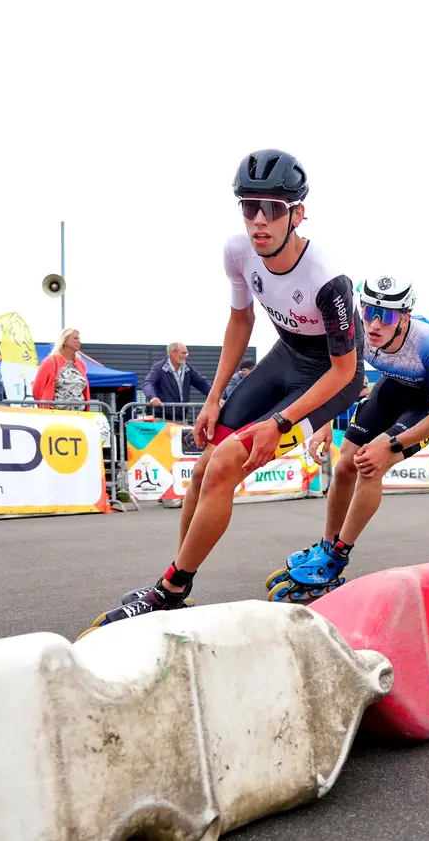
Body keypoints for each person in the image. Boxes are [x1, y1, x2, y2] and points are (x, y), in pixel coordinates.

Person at [98, 148, 364, 623]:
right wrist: (215, 395)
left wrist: (280, 422)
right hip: (286, 356)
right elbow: (241, 320)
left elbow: (345, 372)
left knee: (223, 469)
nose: (259, 220)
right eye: (249, 207)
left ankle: (170, 586)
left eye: (274, 209)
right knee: (203, 472)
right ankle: (175, 583)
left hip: (329, 374)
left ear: (297, 214)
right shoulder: (238, 251)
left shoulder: (328, 279)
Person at [265, 275, 429, 601]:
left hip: (428, 405)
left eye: (388, 316)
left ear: (405, 318)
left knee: (371, 463)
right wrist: (323, 421)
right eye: (369, 311)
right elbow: (337, 377)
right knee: (344, 466)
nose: (375, 323)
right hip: (393, 390)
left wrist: (392, 444)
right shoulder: (356, 330)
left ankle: (339, 555)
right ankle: (327, 548)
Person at [142, 342, 212, 422]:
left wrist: (216, 396)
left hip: (181, 417)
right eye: (183, 353)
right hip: (163, 418)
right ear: (173, 353)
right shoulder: (159, 368)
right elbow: (147, 383)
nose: (186, 356)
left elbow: (201, 383)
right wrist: (152, 397)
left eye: (186, 353)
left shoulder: (187, 368)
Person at [32, 329, 90, 410]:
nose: (79, 341)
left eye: (79, 339)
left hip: (79, 415)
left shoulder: (81, 364)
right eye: (75, 338)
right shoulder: (50, 361)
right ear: (65, 341)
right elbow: (37, 390)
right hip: (56, 415)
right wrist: (45, 406)